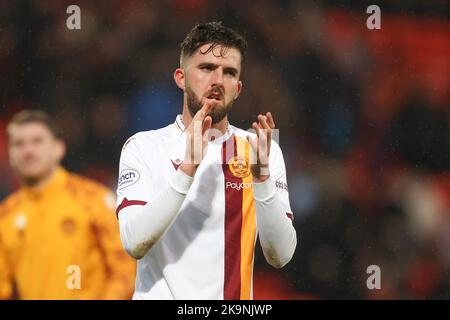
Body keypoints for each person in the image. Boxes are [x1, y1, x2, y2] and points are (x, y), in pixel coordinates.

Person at [116, 21, 297, 300]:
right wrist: (187, 168)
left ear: (237, 88)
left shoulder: (260, 150)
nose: (217, 80)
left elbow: (280, 256)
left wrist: (261, 179)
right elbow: (134, 243)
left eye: (228, 72)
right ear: (181, 78)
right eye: (206, 68)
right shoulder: (144, 147)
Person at [0, 110, 135, 299]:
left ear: (59, 148)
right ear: (10, 154)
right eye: (19, 144)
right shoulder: (6, 216)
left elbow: (126, 270)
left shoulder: (93, 200)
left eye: (37, 141)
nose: (28, 151)